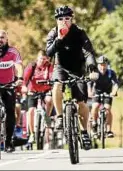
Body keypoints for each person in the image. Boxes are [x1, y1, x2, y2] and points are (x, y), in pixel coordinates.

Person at [45, 6, 99, 150]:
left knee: (81, 102)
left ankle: (84, 132)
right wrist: (59, 39)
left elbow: (88, 53)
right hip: (60, 68)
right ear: (56, 20)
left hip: (77, 69)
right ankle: (61, 118)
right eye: (61, 19)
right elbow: (49, 53)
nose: (64, 21)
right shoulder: (53, 33)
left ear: (72, 19)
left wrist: (92, 67)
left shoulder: (79, 32)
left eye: (67, 19)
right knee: (56, 85)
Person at [21, 50, 54, 143]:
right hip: (33, 91)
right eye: (41, 59)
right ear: (37, 59)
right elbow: (25, 78)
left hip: (45, 90)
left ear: (47, 59)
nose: (42, 61)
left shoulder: (49, 66)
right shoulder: (32, 66)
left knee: (49, 100)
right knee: (30, 111)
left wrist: (52, 82)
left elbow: (52, 76)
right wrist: (24, 86)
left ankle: (47, 118)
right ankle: (31, 133)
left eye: (44, 59)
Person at [88, 55, 119, 138]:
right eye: (101, 64)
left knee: (107, 108)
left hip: (107, 93)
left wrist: (114, 92)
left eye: (104, 64)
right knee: (95, 106)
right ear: (98, 65)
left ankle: (109, 130)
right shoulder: (95, 73)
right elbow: (89, 83)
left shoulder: (111, 73)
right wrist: (90, 92)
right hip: (97, 93)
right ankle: (94, 125)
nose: (102, 66)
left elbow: (115, 84)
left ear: (107, 65)